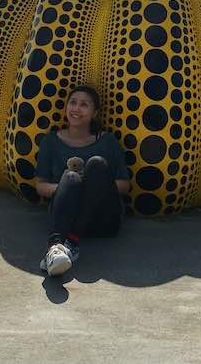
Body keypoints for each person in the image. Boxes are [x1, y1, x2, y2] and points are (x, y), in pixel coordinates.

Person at [35, 85, 131, 276]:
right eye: (73, 103)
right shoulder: (51, 142)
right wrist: (69, 187)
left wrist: (92, 185)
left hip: (104, 220)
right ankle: (54, 249)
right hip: (66, 217)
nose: (76, 109)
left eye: (84, 105)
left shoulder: (107, 141)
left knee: (95, 164)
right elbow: (40, 185)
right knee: (70, 176)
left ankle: (70, 242)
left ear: (94, 112)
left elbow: (125, 185)